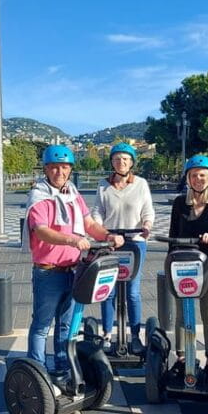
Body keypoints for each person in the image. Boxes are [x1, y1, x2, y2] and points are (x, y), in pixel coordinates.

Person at [22, 145, 124, 379]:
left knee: (67, 324)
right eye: (54, 167)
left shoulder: (72, 194)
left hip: (74, 270)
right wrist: (71, 240)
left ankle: (62, 366)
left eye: (64, 167)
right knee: (42, 324)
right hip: (48, 272)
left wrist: (107, 236)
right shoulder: (39, 196)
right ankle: (37, 372)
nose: (60, 172)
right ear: (46, 169)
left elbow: (89, 224)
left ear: (70, 170)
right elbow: (41, 231)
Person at [168, 154, 208, 369]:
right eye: (193, 175)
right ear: (188, 178)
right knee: (182, 313)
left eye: (202, 175)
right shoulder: (180, 203)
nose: (198, 179)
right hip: (183, 266)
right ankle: (182, 357)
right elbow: (172, 236)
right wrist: (170, 264)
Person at [91, 142, 155, 353]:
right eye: (117, 159)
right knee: (108, 290)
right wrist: (100, 230)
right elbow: (98, 211)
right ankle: (108, 333)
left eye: (125, 159)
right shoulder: (103, 185)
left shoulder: (141, 184)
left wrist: (146, 226)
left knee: (133, 292)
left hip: (135, 242)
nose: (121, 162)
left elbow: (147, 210)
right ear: (112, 162)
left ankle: (135, 334)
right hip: (111, 242)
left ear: (131, 163)